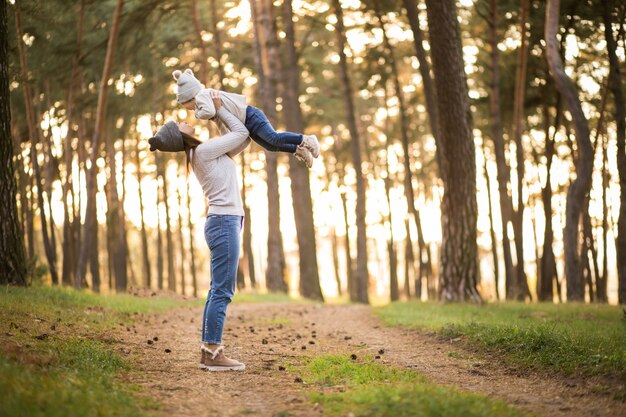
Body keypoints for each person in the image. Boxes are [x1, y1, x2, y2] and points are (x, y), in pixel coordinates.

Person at [148, 92, 248, 371]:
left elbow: (243, 139)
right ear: (179, 137)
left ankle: (209, 350)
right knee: (222, 291)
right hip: (224, 223)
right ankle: (213, 354)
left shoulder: (205, 152)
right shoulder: (203, 152)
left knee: (219, 290)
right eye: (180, 124)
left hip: (225, 223)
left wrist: (221, 116)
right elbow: (240, 131)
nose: (185, 121)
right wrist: (217, 111)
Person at [172, 68, 320, 168]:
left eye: (184, 105)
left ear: (188, 98)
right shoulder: (205, 99)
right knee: (270, 145)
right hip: (246, 121)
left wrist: (198, 113)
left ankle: (306, 140)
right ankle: (298, 150)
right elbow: (221, 122)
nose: (190, 110)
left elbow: (210, 112)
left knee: (273, 138)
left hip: (250, 116)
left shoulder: (202, 96)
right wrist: (228, 140)